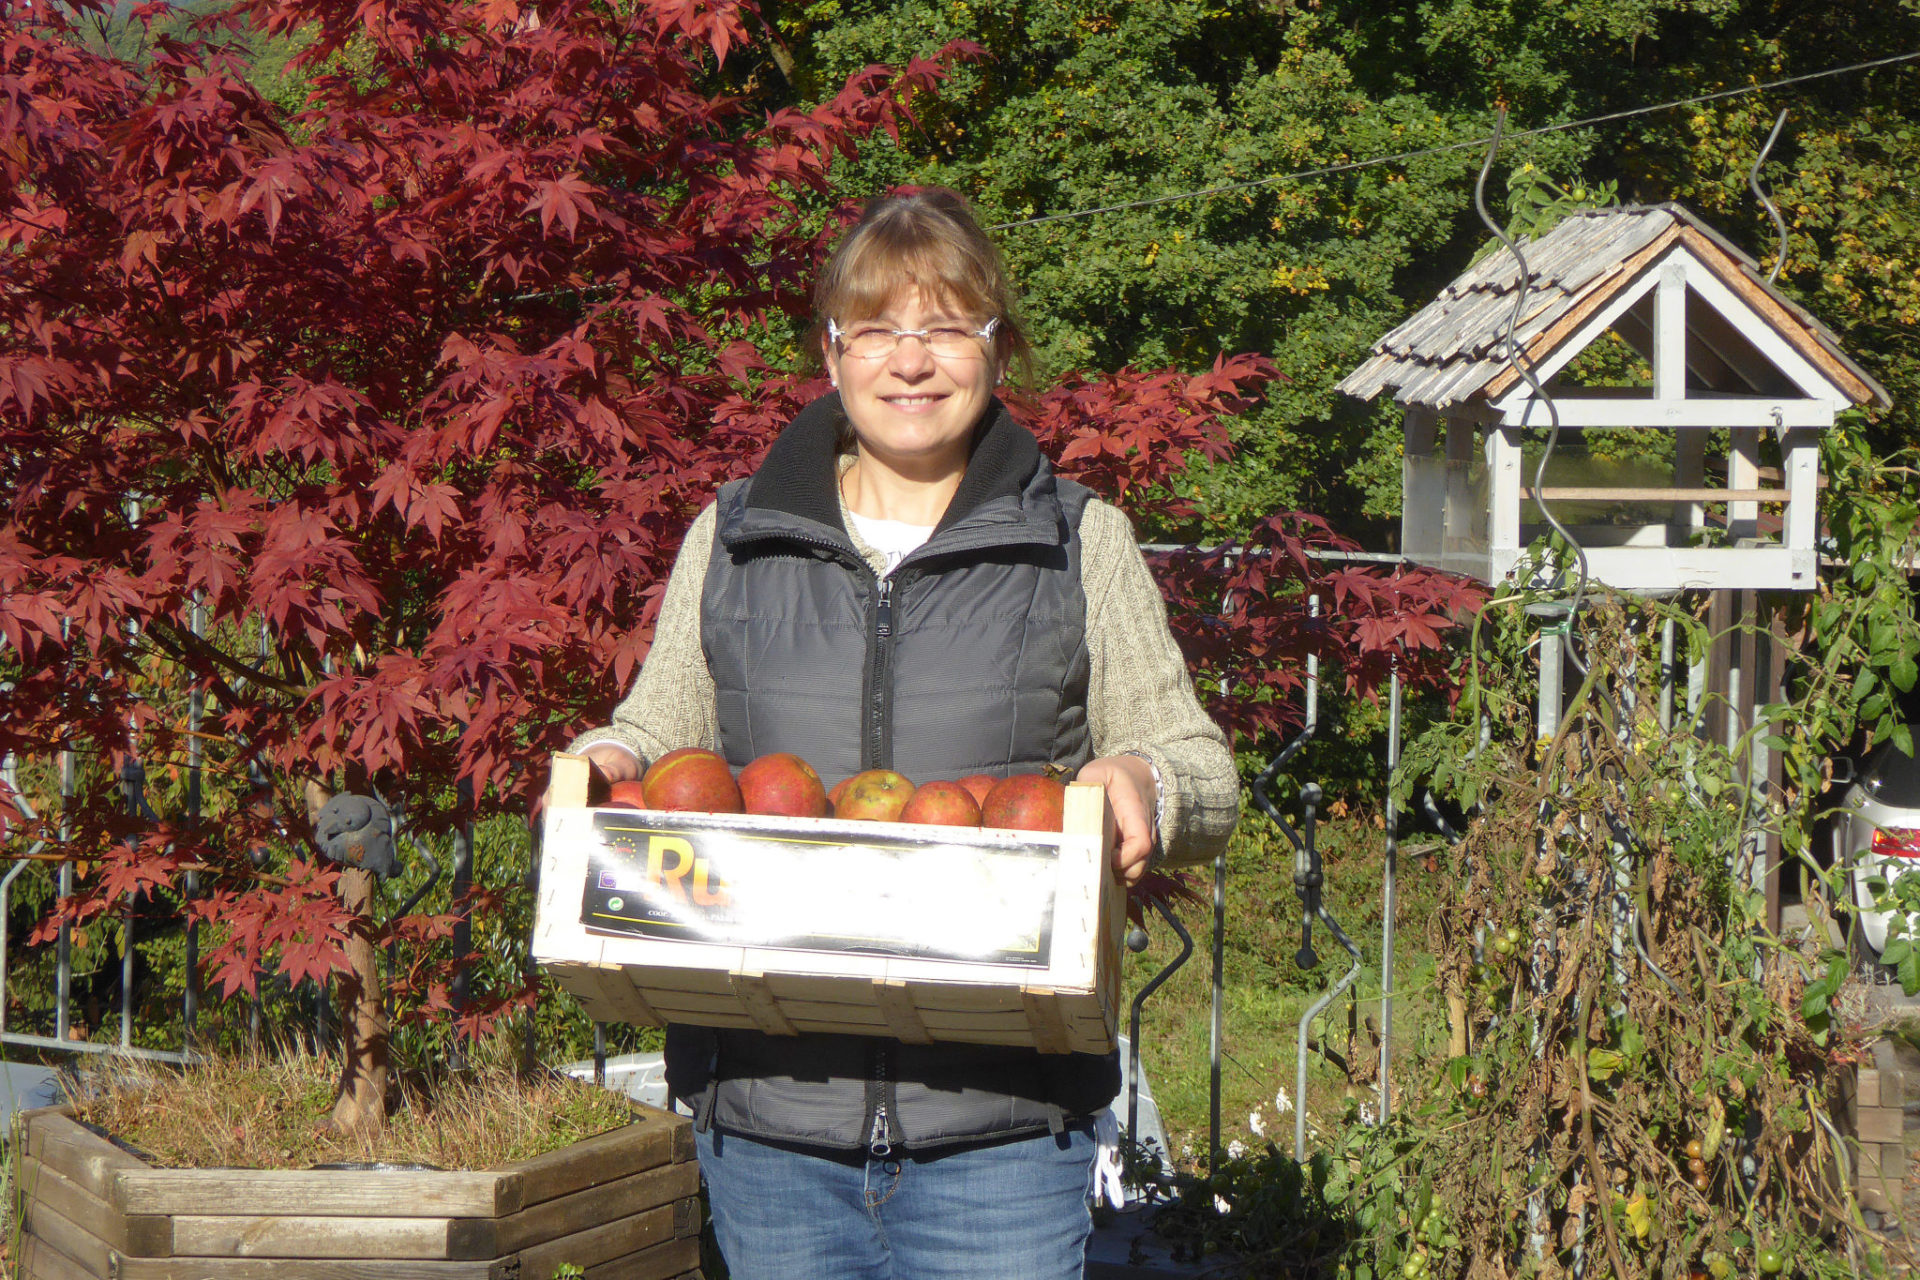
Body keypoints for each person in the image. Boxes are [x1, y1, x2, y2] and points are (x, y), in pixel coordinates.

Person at [568, 187, 1238, 1280]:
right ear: (831, 353)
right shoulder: (736, 537)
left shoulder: (1081, 541)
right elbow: (661, 731)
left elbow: (1203, 767)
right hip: (773, 1120)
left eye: (947, 328)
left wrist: (1149, 783)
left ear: (996, 350)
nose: (911, 361)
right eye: (877, 328)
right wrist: (607, 757)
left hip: (1006, 1127)